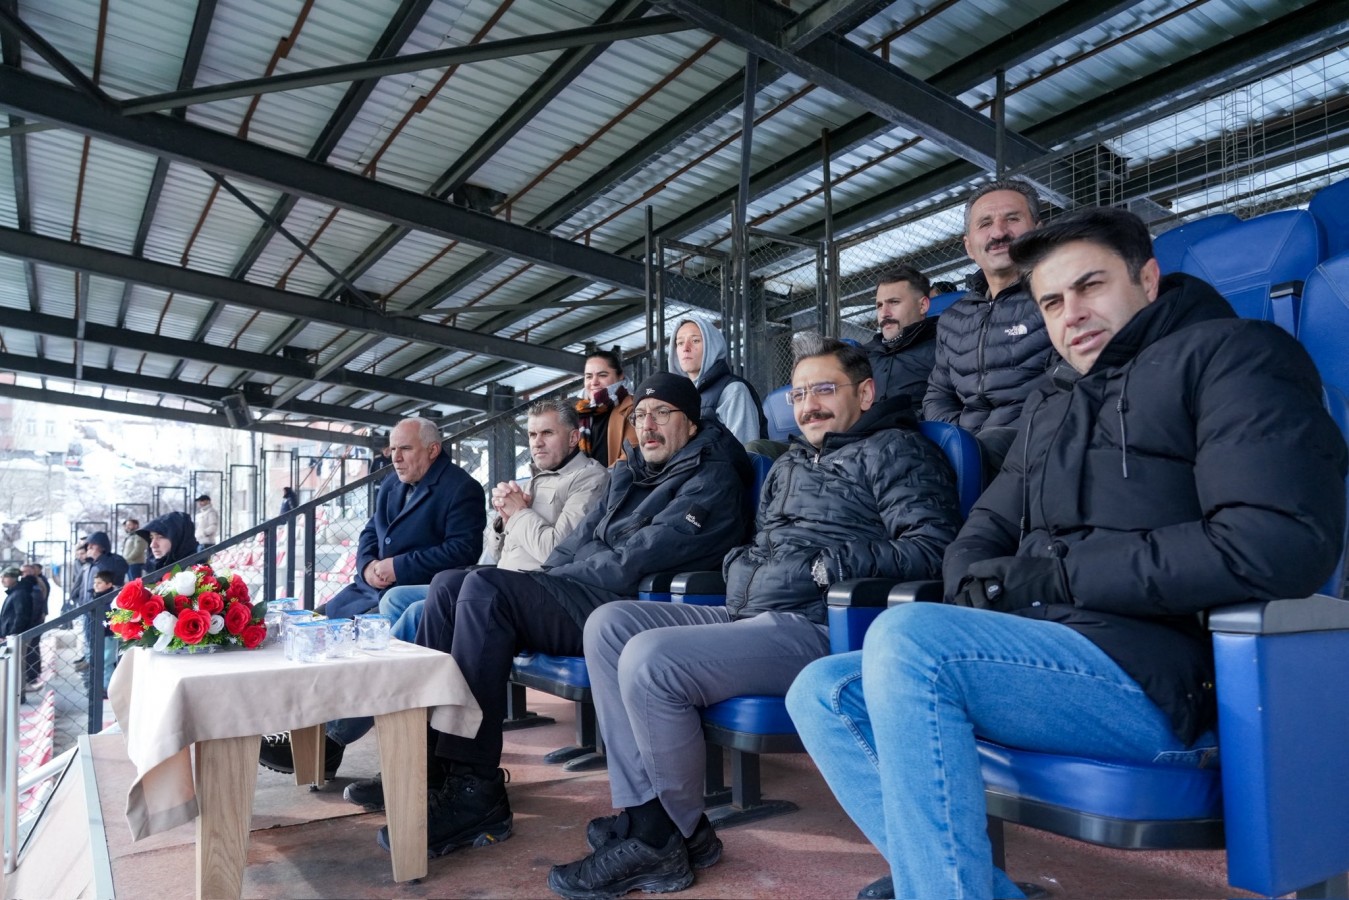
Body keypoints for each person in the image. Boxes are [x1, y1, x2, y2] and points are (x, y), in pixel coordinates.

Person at [787, 206, 1349, 900]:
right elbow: (985, 528)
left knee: (908, 640)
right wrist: (977, 584)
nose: (1071, 314)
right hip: (1051, 650)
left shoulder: (1236, 356)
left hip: (1169, 675)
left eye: (1091, 286)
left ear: (1147, 279)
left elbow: (1272, 544)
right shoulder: (1054, 400)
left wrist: (1047, 578)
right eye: (1051, 301)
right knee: (821, 691)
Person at [548, 335, 962, 900]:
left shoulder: (897, 450)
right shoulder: (791, 462)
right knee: (610, 626)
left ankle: (660, 840)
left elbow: (933, 548)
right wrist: (742, 563)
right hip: (748, 610)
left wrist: (831, 566)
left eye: (824, 390)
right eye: (798, 395)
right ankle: (657, 819)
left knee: (651, 658)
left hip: (819, 624)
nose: (809, 405)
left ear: (865, 393)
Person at [361, 372, 753, 861]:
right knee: (447, 586)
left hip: (627, 606)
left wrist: (557, 577)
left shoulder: (711, 475)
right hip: (583, 588)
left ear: (690, 423)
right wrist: (551, 575)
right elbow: (575, 541)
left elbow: (643, 555)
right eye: (641, 416)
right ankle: (432, 767)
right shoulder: (631, 471)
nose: (648, 425)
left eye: (662, 414)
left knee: (485, 590)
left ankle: (475, 787)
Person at [258, 400, 612, 779]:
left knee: (411, 614)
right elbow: (491, 552)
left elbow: (551, 552)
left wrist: (518, 512)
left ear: (573, 437)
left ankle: (360, 738)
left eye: (547, 433)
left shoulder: (588, 479)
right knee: (391, 605)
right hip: (491, 580)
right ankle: (366, 731)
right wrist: (501, 521)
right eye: (531, 434)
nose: (537, 442)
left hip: (531, 592)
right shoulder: (530, 481)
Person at [923, 179, 1056, 470]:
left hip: (1038, 452)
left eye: (1012, 219)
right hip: (971, 453)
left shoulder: (1060, 296)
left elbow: (1071, 385)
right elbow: (937, 396)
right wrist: (962, 441)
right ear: (969, 246)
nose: (998, 232)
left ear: (1038, 231)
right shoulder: (953, 319)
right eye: (985, 223)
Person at [321, 417, 485, 619]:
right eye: (393, 449)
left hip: (412, 594)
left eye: (406, 449)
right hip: (368, 589)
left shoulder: (462, 487)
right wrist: (367, 566)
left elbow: (463, 551)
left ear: (433, 450)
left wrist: (399, 567)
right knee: (312, 621)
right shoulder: (392, 482)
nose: (396, 458)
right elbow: (371, 531)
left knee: (344, 632)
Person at [668, 312, 766, 444]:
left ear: (712, 346)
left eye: (695, 340)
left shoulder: (734, 390)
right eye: (680, 343)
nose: (686, 348)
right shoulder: (675, 397)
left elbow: (744, 451)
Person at [865, 264, 939, 407]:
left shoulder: (945, 347)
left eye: (894, 302)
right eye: (879, 305)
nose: (884, 313)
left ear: (922, 306)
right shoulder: (863, 355)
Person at [574, 346, 638, 468]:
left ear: (620, 376)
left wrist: (599, 477)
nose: (594, 382)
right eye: (589, 376)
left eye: (602, 375)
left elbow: (630, 457)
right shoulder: (576, 413)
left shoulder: (634, 407)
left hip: (616, 478)